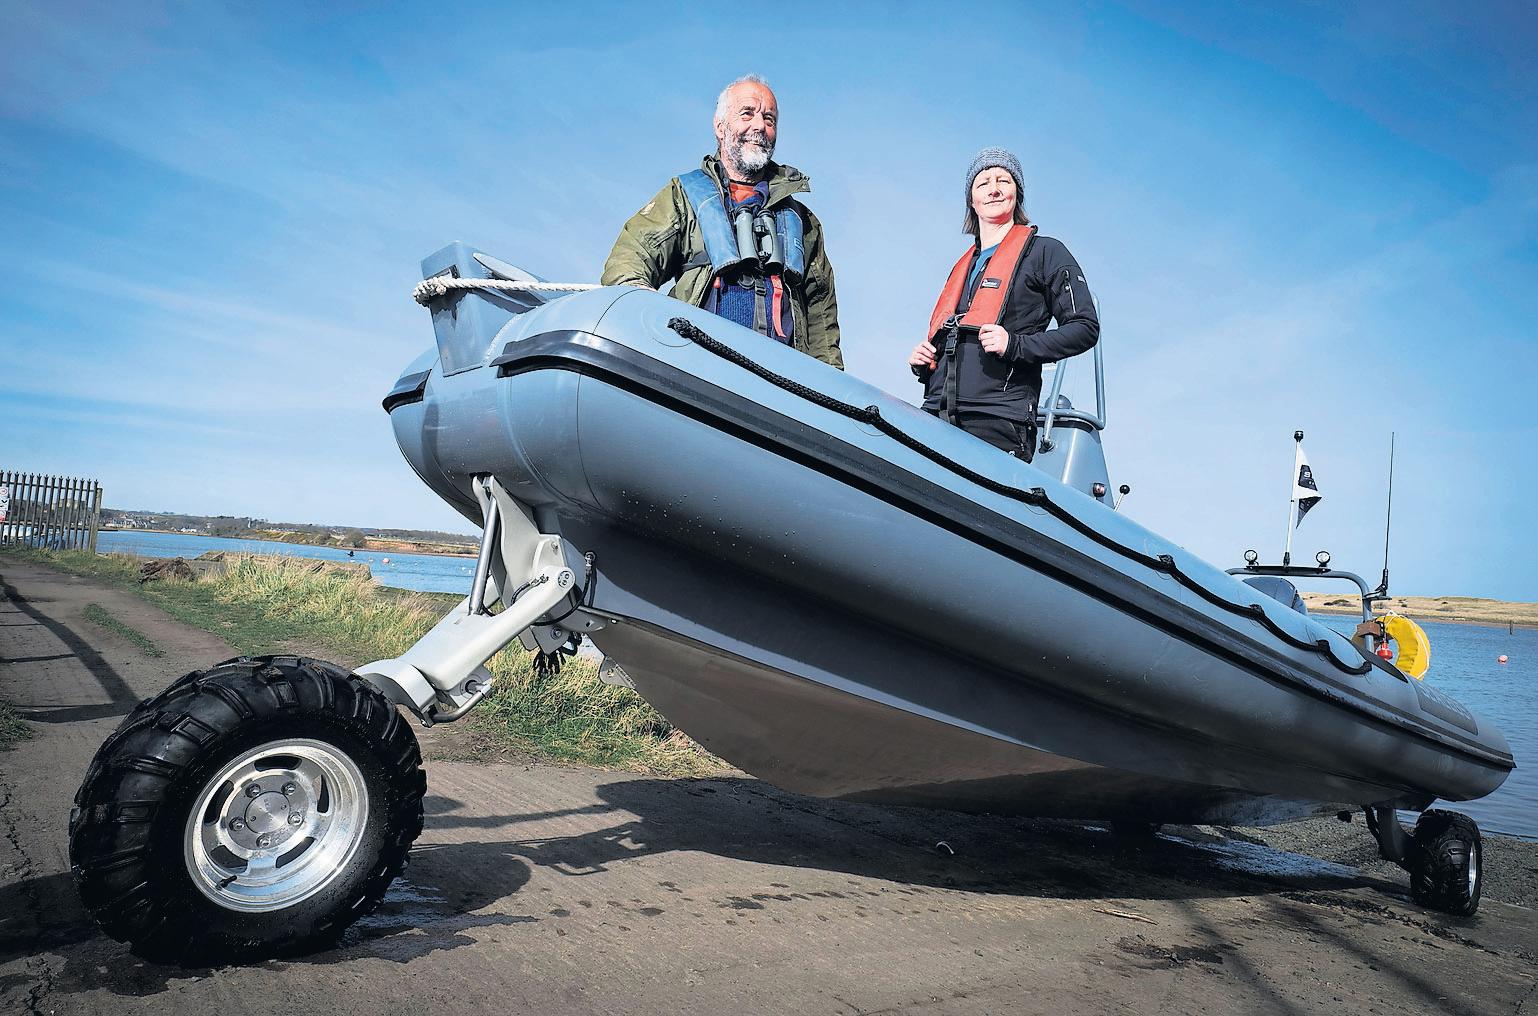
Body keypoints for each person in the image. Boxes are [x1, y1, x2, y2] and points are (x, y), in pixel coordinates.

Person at [601, 75, 844, 369]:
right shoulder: (684, 196)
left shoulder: (803, 222)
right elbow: (632, 255)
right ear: (720, 126)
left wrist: (830, 387)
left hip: (781, 381)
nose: (759, 126)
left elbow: (821, 315)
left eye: (769, 119)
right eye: (747, 113)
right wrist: (640, 299)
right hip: (700, 368)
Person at [910, 148, 1099, 460]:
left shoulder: (1045, 253)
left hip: (998, 421)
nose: (994, 188)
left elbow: (1085, 328)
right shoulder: (962, 267)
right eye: (983, 183)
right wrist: (924, 364)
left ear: (1017, 194)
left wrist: (1015, 345)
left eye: (1003, 180)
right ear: (972, 200)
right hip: (936, 413)